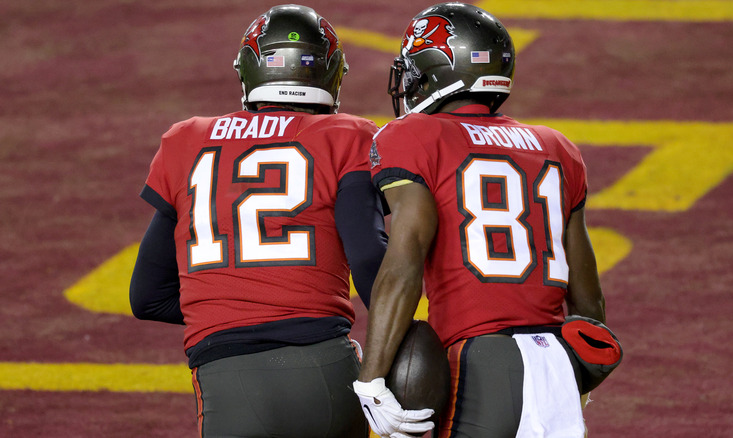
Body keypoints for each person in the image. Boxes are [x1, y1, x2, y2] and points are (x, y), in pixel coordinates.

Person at [354, 3, 620, 438]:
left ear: (437, 70)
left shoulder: (413, 135)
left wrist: (372, 376)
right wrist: (577, 379)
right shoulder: (556, 146)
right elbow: (588, 300)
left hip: (479, 359)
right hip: (556, 358)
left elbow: (404, 263)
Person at [129, 5, 387, 437]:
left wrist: (230, 308)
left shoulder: (187, 140)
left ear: (248, 70)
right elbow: (369, 264)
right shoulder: (350, 135)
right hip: (327, 365)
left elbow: (147, 297)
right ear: (332, 73)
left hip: (229, 372)